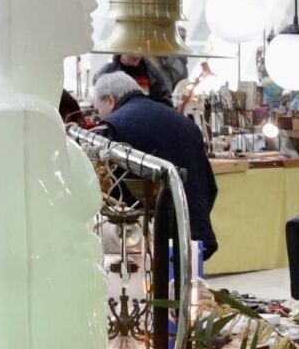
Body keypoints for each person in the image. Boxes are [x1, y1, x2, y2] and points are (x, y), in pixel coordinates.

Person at [93, 69, 219, 262]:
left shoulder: (112, 128)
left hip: (146, 244)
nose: (98, 116)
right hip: (192, 235)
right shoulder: (184, 122)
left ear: (109, 100)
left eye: (97, 109)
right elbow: (209, 185)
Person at [95, 51, 173, 106]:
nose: (137, 56)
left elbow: (165, 98)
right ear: (121, 49)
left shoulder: (152, 71)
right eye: (132, 51)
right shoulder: (107, 72)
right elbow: (98, 101)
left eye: (140, 51)